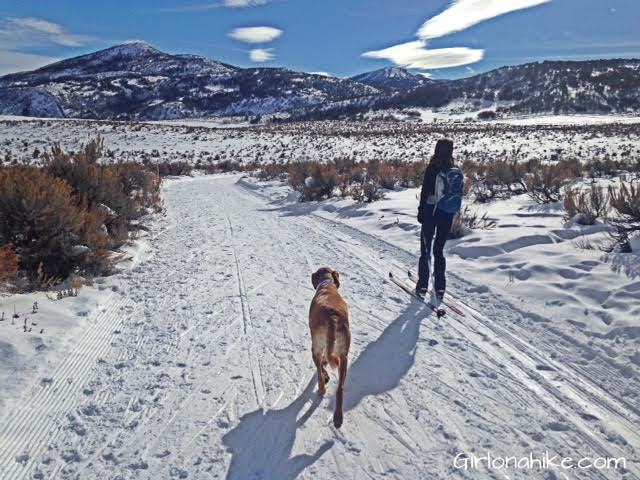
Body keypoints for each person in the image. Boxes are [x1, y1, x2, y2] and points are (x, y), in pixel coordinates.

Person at [415, 139, 463, 306]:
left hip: (430, 212)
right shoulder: (454, 168)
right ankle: (440, 287)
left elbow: (425, 190)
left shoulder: (433, 167)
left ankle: (422, 286)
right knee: (439, 250)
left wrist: (421, 211)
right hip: (447, 214)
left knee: (426, 249)